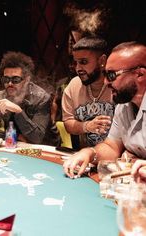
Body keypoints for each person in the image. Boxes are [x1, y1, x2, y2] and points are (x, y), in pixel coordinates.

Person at [63, 41, 146, 178]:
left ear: (140, 74)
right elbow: (112, 147)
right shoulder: (123, 106)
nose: (106, 82)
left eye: (112, 75)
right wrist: (90, 153)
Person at [0, 51, 60, 146]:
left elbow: (37, 138)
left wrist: (18, 111)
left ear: (27, 80)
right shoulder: (0, 97)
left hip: (47, 147)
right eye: (6, 79)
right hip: (17, 144)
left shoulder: (41, 98)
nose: (10, 84)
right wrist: (17, 136)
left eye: (15, 79)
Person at [62, 36, 115, 148]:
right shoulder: (74, 85)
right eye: (76, 63)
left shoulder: (116, 85)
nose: (78, 68)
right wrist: (87, 126)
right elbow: (68, 123)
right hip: (84, 156)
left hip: (116, 157)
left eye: (83, 62)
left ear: (102, 61)